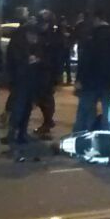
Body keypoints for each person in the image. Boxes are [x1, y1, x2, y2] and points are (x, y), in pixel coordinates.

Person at [73, 11, 110, 132]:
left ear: (97, 19)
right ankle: (106, 136)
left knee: (85, 111)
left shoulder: (91, 35)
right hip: (108, 81)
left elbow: (85, 59)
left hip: (90, 80)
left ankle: (82, 135)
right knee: (108, 111)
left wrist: (79, 79)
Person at [5, 19, 42, 146]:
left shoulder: (30, 44)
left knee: (26, 108)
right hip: (21, 80)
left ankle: (21, 133)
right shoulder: (18, 44)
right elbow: (15, 62)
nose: (35, 39)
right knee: (19, 108)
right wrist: (28, 60)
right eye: (33, 36)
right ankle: (13, 133)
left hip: (29, 80)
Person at [33, 10, 65, 138]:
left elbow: (58, 58)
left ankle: (47, 123)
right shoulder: (41, 35)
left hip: (48, 72)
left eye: (44, 22)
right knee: (42, 98)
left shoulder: (54, 37)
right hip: (40, 71)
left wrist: (57, 75)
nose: (42, 25)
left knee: (46, 98)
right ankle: (47, 122)